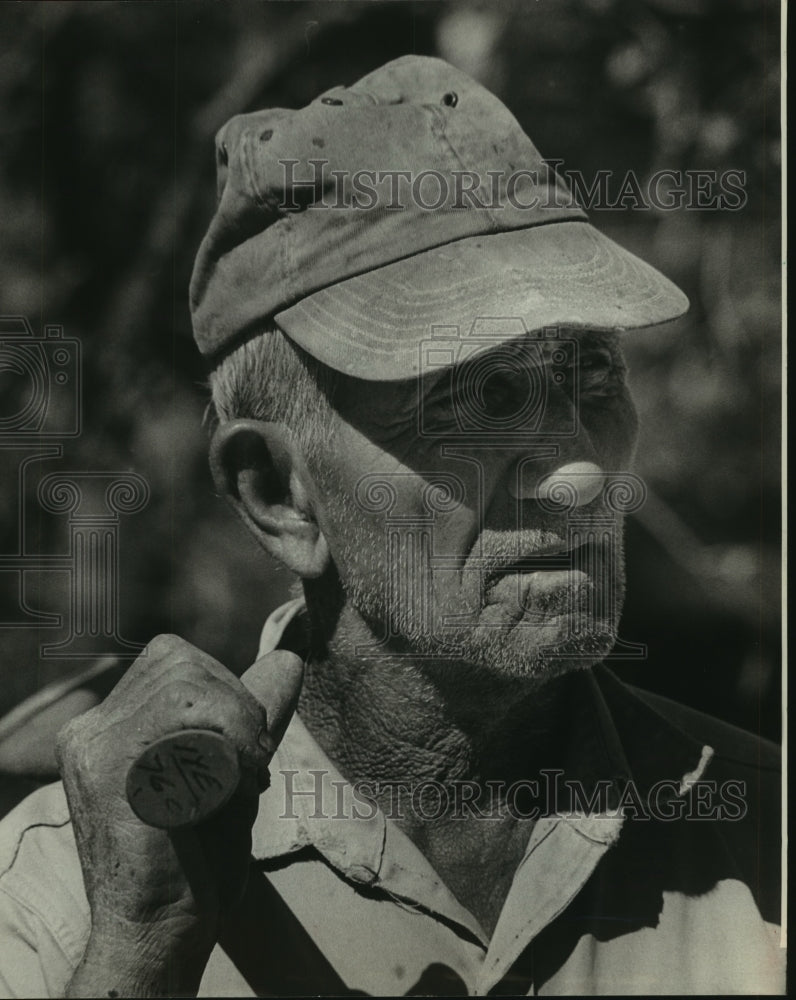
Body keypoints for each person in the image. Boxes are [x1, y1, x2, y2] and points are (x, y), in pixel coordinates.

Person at [0, 56, 783, 997]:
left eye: (593, 373)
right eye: (482, 397)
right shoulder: (63, 900)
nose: (581, 477)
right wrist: (146, 948)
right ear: (278, 496)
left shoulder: (764, 837)